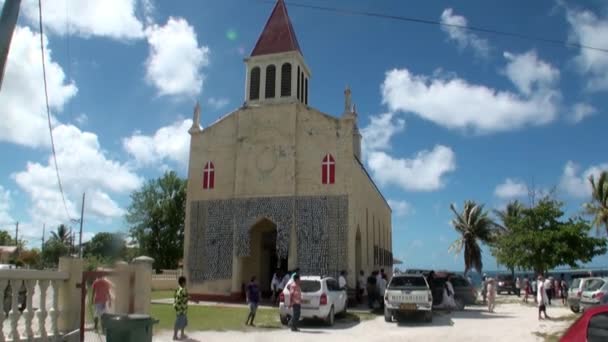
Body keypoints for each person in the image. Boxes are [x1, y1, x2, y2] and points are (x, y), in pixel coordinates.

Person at [173, 276, 189, 340]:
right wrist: (188, 298)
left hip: (179, 308)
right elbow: (184, 298)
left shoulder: (178, 289)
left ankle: (182, 334)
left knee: (183, 322)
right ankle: (175, 336)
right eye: (185, 282)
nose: (186, 283)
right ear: (182, 283)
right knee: (178, 322)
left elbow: (175, 297)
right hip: (181, 309)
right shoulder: (183, 290)